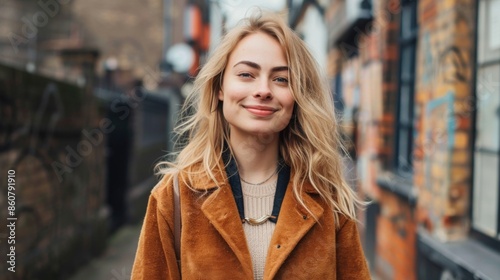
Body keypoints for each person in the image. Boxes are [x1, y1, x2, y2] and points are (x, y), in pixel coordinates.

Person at [131, 11, 370, 280]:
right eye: (246, 74)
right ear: (220, 88)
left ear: (297, 96)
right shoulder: (174, 197)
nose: (263, 90)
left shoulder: (328, 200)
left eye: (281, 79)